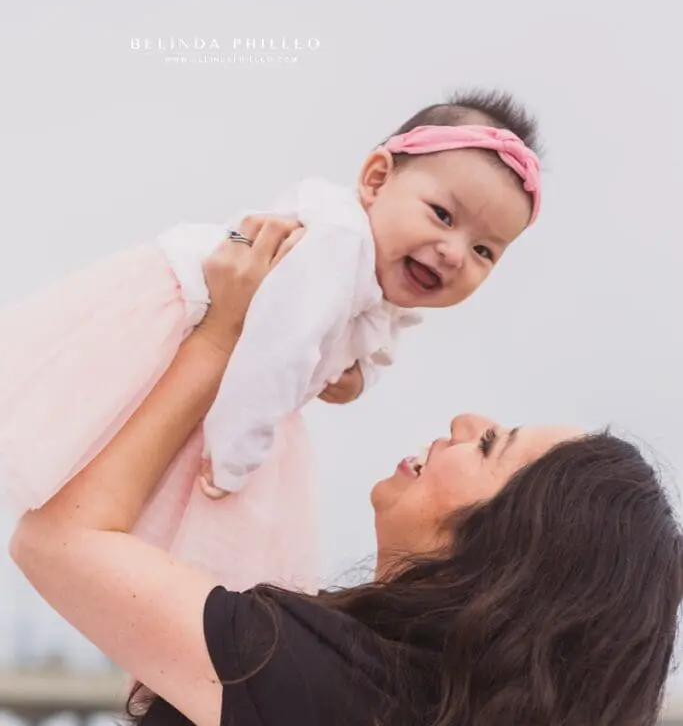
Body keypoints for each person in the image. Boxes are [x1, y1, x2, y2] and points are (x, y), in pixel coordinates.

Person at [9, 216, 683, 726]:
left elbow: (59, 542)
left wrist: (220, 335)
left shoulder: (326, 690)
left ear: (509, 557)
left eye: (488, 445)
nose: (464, 420)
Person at [0, 90, 541, 594]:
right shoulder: (336, 240)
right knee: (125, 462)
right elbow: (277, 351)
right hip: (181, 329)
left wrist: (357, 375)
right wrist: (233, 456)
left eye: (484, 251)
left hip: (226, 373)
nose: (453, 252)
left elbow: (384, 329)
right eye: (442, 216)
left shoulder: (380, 271)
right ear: (376, 179)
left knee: (140, 523)